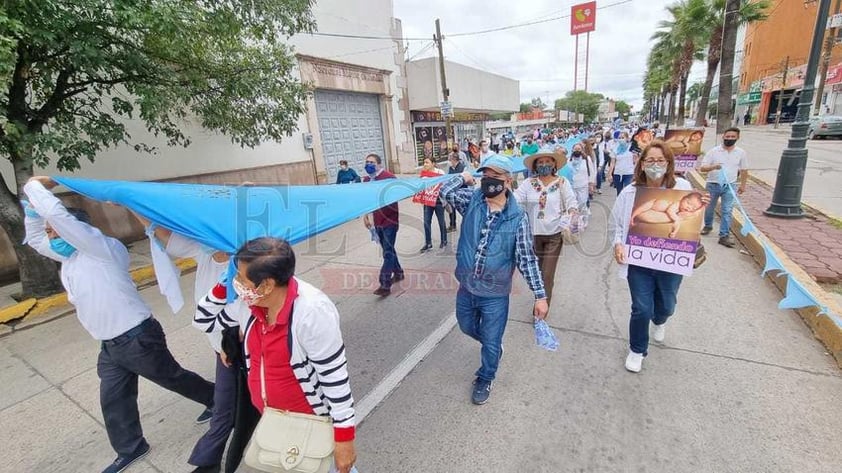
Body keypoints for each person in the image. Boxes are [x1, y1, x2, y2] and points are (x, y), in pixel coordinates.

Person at [22, 176, 214, 473]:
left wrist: (36, 188)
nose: (51, 237)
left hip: (136, 337)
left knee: (171, 377)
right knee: (114, 398)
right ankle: (132, 447)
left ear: (78, 230)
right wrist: (33, 215)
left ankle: (216, 398)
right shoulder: (70, 258)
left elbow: (62, 219)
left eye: (54, 230)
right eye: (49, 232)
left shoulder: (101, 249)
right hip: (110, 345)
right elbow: (35, 240)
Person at [202, 237, 357, 473]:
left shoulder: (311, 312)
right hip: (273, 421)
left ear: (266, 285)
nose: (237, 283)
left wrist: (344, 439)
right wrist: (221, 287)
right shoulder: (250, 306)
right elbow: (204, 320)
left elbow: (334, 377)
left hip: (310, 426)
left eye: (241, 279)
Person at [132, 214, 243, 473]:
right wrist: (128, 203)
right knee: (224, 407)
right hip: (225, 349)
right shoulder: (203, 250)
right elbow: (160, 233)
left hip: (248, 348)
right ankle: (209, 463)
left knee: (259, 404)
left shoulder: (246, 259)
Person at [439, 155, 549, 405]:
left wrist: (540, 295)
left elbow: (526, 259)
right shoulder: (472, 201)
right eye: (485, 175)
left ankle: (486, 376)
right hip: (467, 287)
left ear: (508, 181)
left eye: (495, 177)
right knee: (466, 326)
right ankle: (493, 345)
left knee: (490, 341)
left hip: (495, 294)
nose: (489, 181)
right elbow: (444, 192)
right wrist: (461, 177)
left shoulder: (517, 218)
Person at [610, 141, 708, 373]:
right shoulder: (630, 191)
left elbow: (696, 226)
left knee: (666, 305)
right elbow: (618, 223)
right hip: (639, 259)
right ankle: (637, 349)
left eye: (660, 160)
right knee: (641, 308)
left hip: (671, 261)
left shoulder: (683, 187)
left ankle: (661, 320)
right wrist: (617, 244)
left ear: (669, 163)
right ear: (642, 164)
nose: (655, 165)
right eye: (650, 160)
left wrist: (702, 208)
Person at [514, 149, 577, 309]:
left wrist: (572, 214)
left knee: (547, 275)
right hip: (532, 237)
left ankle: (541, 312)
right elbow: (515, 199)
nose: (544, 165)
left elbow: (571, 203)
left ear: (554, 164)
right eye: (540, 162)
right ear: (535, 166)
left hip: (554, 236)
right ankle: (540, 299)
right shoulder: (528, 183)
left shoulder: (562, 182)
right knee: (536, 274)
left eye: (547, 161)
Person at [699, 127, 749, 248]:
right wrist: (713, 167)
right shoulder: (713, 152)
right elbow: (702, 168)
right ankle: (708, 225)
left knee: (727, 210)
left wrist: (742, 185)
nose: (730, 139)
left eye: (733, 137)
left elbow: (744, 170)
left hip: (730, 185)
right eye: (728, 136)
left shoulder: (741, 153)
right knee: (709, 208)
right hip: (713, 184)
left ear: (737, 137)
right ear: (723, 137)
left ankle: (724, 235)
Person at [362, 153, 404, 296]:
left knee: (387, 252)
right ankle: (398, 272)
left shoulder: (389, 178)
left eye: (372, 162)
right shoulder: (367, 180)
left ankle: (385, 283)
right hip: (377, 221)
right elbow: (365, 200)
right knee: (389, 248)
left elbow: (398, 194)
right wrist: (366, 217)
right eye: (367, 162)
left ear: (379, 164)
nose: (368, 164)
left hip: (390, 220)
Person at [630, 192, 706, 238]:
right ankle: (633, 216)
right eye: (688, 203)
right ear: (682, 198)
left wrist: (674, 232)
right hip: (652, 203)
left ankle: (634, 217)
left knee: (678, 221)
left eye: (693, 208)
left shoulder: (680, 213)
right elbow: (670, 210)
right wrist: (676, 219)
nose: (689, 207)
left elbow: (677, 223)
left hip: (654, 211)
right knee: (640, 210)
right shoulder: (677, 204)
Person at [419, 157, 447, 252]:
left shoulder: (440, 173)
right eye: (424, 162)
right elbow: (421, 188)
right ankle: (428, 243)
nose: (425, 164)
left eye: (427, 162)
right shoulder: (423, 175)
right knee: (426, 222)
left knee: (441, 222)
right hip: (428, 201)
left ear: (433, 163)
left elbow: (445, 185)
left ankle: (444, 240)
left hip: (438, 201)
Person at [569, 142, 596, 210]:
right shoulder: (568, 160)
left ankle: (583, 219)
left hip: (583, 186)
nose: (577, 150)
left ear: (582, 150)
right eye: (575, 149)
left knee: (582, 204)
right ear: (572, 150)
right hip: (572, 186)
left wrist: (591, 185)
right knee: (573, 205)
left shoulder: (587, 159)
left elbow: (591, 172)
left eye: (579, 149)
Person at [446, 151, 466, 232]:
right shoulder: (450, 168)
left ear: (454, 160)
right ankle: (452, 225)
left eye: (450, 160)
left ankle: (467, 224)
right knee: (452, 209)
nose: (449, 161)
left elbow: (466, 179)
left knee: (464, 209)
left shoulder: (463, 167)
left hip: (461, 192)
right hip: (452, 192)